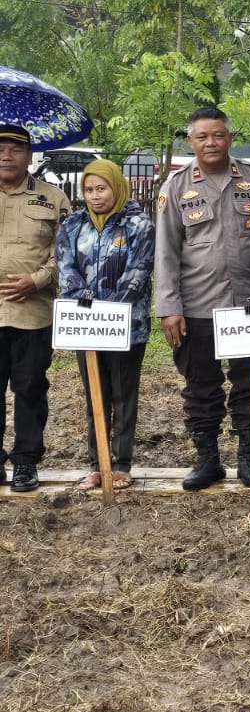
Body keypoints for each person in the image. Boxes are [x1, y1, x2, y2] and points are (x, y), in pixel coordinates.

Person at [154, 107, 250, 491]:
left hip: (249, 303)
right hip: (196, 306)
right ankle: (208, 459)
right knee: (200, 386)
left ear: (230, 138)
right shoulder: (175, 187)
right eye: (202, 136)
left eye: (218, 135)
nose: (211, 142)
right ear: (190, 141)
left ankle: (248, 458)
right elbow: (166, 253)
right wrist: (169, 307)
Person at [56, 159, 154, 491]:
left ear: (117, 187)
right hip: (85, 325)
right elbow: (66, 268)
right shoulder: (73, 225)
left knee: (123, 395)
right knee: (95, 394)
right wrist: (85, 301)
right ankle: (97, 465)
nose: (95, 196)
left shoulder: (139, 225)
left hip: (128, 326)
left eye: (102, 188)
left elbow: (138, 273)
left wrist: (108, 312)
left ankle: (122, 464)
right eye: (89, 189)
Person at [0, 125, 70, 492]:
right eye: (0, 148)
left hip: (34, 312)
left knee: (29, 388)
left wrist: (39, 279)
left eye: (15, 149)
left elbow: (69, 252)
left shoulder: (53, 198)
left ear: (29, 156)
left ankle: (26, 462)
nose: (6, 155)